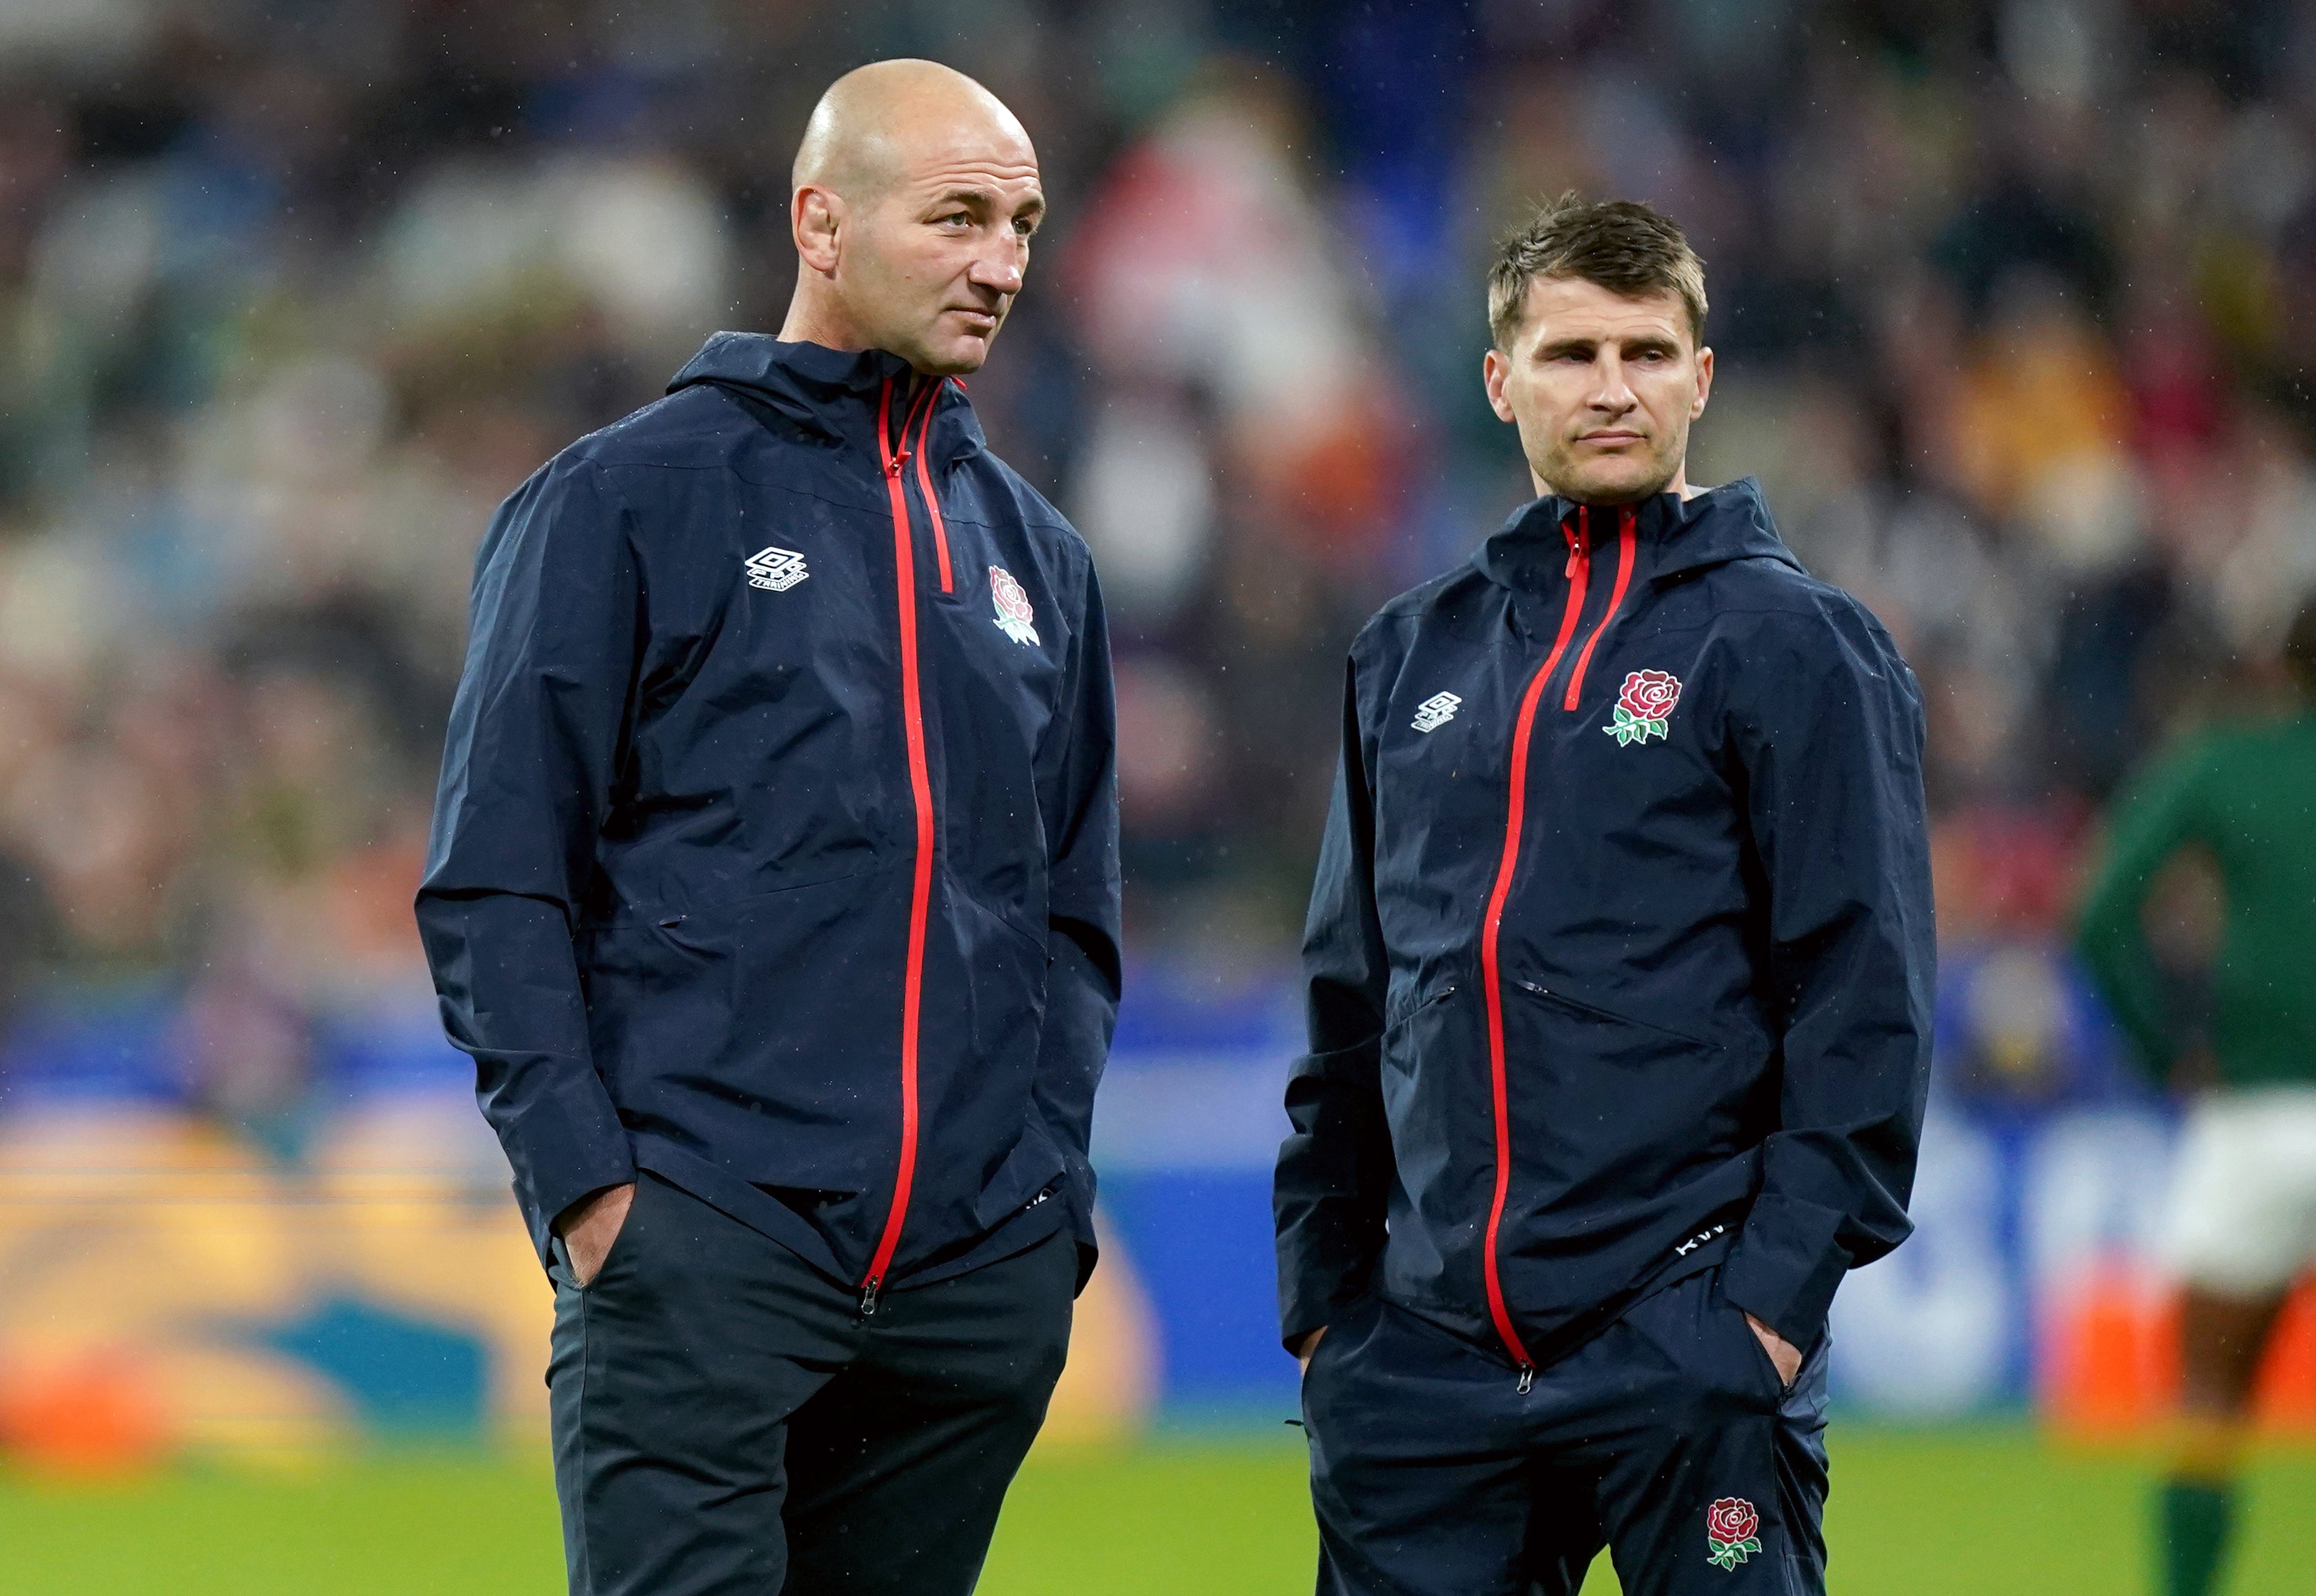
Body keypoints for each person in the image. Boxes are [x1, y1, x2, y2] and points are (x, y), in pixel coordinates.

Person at [415, 59, 1119, 1596]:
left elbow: (1072, 916)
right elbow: (495, 878)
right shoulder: (620, 499)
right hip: (703, 1243)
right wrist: (592, 1191)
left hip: (967, 1281)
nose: (1000, 261)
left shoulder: (1040, 559)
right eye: (955, 217)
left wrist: (1039, 1210)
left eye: (1019, 222)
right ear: (818, 218)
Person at [1273, 195, 1935, 1596]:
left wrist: (1760, 1309)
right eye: (1571, 352)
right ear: (1501, 378)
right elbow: (1347, 999)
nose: (1612, 386)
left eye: (1646, 350)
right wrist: (1326, 1310)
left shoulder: (1795, 644)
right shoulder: (1407, 650)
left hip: (1682, 1334)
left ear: (1701, 376)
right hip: (1424, 1365)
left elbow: (1863, 1000)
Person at [2076, 596, 2316, 1596]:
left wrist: (2164, 1046)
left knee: (2209, 1399)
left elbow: (2099, 913)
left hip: (2255, 1114)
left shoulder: (2226, 761)